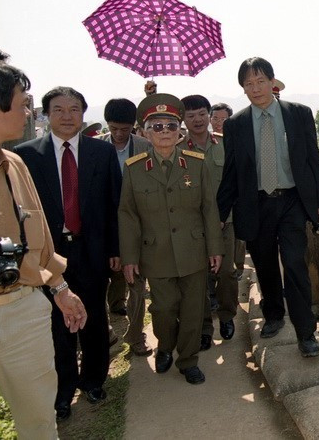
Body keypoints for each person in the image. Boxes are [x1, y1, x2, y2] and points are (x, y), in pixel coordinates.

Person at [0, 58, 87, 438]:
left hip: (25, 312)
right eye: (22, 103)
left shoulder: (15, 164)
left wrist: (61, 290)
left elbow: (40, 240)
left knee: (39, 423)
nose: (29, 112)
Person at [14, 86, 121, 420]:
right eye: (58, 109)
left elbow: (114, 205)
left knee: (94, 317)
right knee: (56, 324)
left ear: (83, 114)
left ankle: (93, 379)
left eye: (74, 109)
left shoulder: (100, 154)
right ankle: (62, 389)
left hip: (92, 251)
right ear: (46, 114)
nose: (66, 116)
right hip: (49, 254)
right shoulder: (27, 155)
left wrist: (115, 250)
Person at [217, 57, 319, 358]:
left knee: (294, 263)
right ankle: (274, 315)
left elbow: (312, 160)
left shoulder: (298, 114)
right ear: (243, 88)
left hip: (292, 200)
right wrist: (219, 213)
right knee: (265, 265)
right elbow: (231, 171)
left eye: (260, 81)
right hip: (255, 204)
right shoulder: (236, 124)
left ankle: (306, 333)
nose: (255, 88)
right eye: (248, 84)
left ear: (272, 82)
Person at [118, 94, 223, 384]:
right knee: (163, 309)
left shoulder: (197, 164)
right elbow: (127, 215)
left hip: (193, 250)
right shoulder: (134, 168)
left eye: (170, 125)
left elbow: (209, 208)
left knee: (192, 310)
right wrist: (129, 257)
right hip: (156, 254)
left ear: (180, 130)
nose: (164, 131)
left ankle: (188, 360)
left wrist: (215, 247)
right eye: (157, 126)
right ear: (145, 132)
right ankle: (165, 346)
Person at [179, 94, 239, 352]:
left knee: (226, 273)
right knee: (199, 279)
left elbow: (236, 182)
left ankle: (226, 316)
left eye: (202, 114)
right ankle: (204, 327)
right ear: (183, 119)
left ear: (209, 115)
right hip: (192, 228)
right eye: (190, 116)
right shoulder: (177, 149)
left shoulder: (226, 145)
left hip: (226, 222)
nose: (197, 120)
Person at [99, 98, 153, 356]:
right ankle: (104, 330)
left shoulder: (145, 147)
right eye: (114, 128)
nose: (119, 134)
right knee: (102, 281)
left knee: (137, 285)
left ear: (134, 126)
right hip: (104, 227)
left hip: (137, 227)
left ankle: (135, 336)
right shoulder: (95, 148)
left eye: (125, 129)